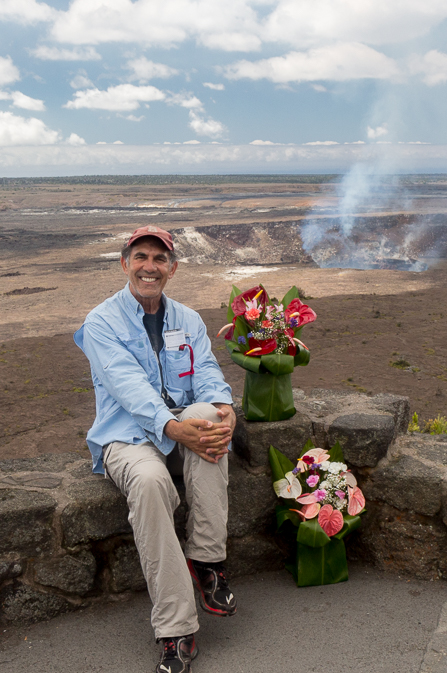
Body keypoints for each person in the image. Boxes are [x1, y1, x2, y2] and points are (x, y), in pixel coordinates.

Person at [74, 225, 237, 673]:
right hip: (125, 435)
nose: (150, 267)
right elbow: (127, 387)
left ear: (173, 267)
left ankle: (207, 561)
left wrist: (225, 408)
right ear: (125, 263)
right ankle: (176, 628)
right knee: (148, 481)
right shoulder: (102, 322)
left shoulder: (187, 319)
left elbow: (205, 371)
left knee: (211, 425)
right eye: (141, 257)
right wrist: (172, 427)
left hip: (178, 424)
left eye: (159, 259)